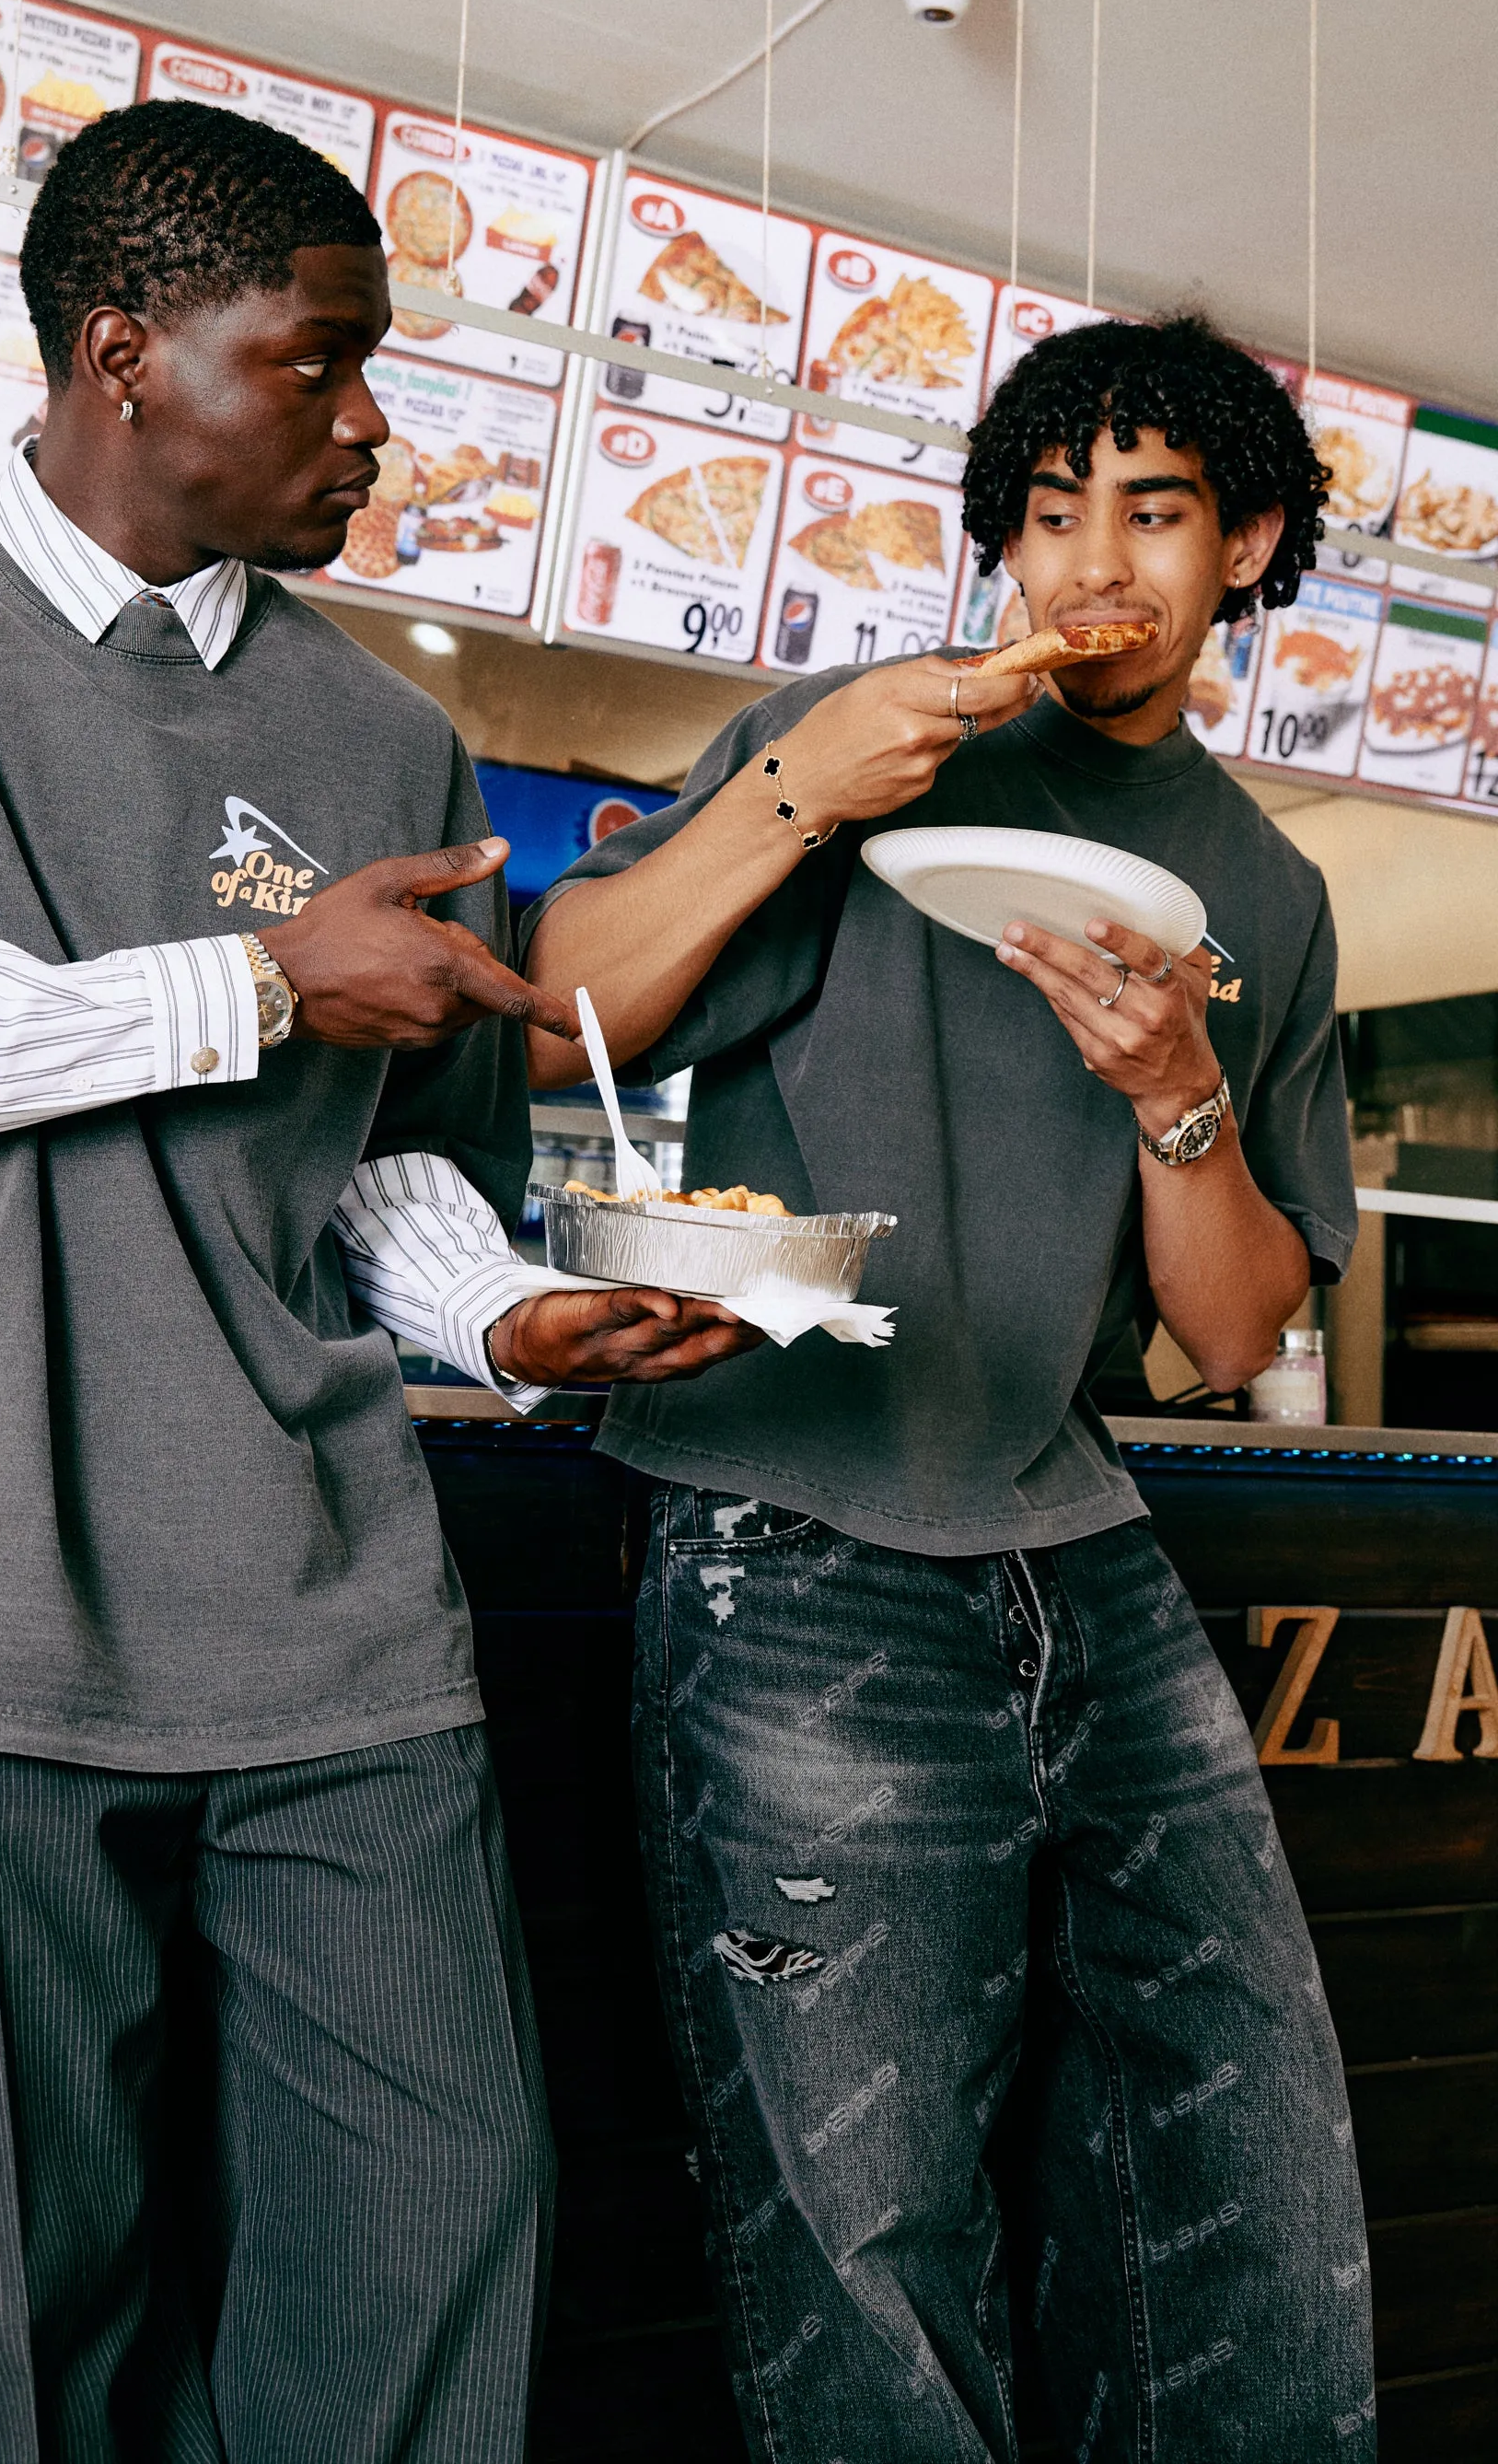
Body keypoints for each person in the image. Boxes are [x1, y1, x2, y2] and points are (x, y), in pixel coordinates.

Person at [0, 98, 753, 2464]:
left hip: (324, 1622)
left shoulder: (380, 728)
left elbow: (377, 1187)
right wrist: (255, 986)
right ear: (128, 352)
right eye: (324, 362)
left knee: (426, 2280)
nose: (375, 426)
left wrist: (507, 1318)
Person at [523, 316, 1375, 2459]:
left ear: (1243, 542)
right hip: (795, 1529)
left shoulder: (1259, 890)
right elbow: (562, 1015)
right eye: (1049, 514)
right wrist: (801, 790)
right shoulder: (862, 744)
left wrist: (1178, 1091)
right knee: (861, 2218)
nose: (1090, 559)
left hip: (1075, 1541)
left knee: (1247, 2175)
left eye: (1153, 512)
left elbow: (1237, 1326)